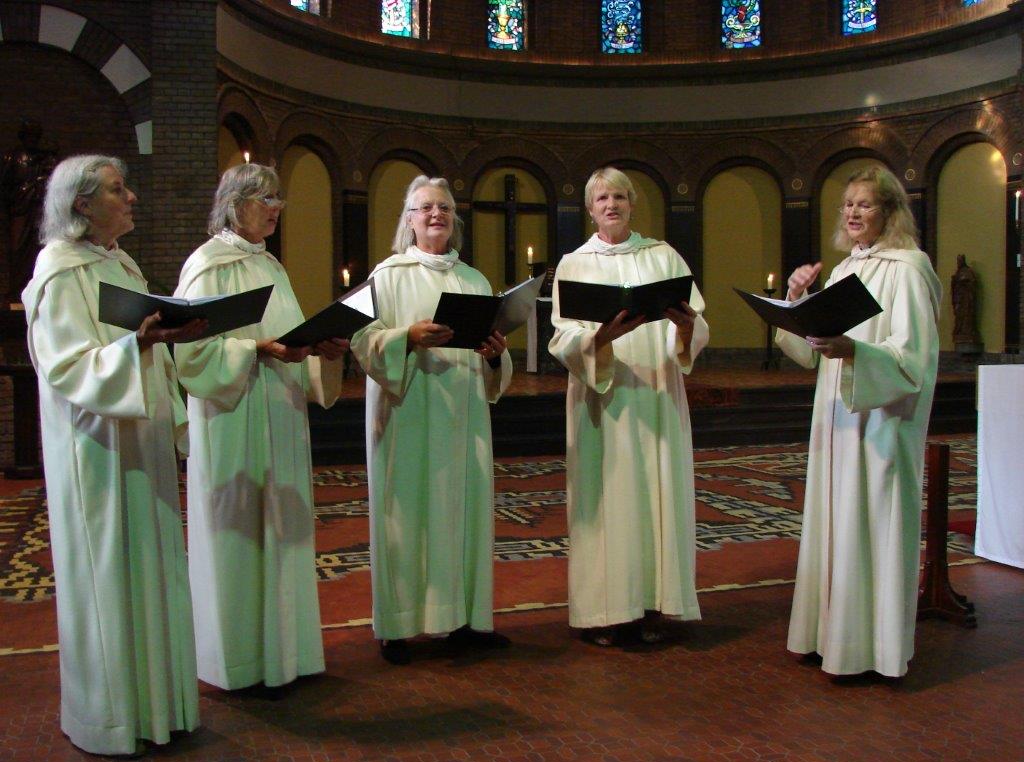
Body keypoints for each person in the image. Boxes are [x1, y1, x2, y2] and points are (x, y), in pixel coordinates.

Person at [21, 155, 205, 755]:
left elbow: (139, 347)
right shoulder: (57, 271)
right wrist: (138, 345)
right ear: (80, 203)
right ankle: (111, 718)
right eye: (117, 190)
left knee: (151, 567)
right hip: (95, 450)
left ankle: (159, 708)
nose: (132, 199)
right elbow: (67, 366)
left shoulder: (119, 263)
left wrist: (158, 348)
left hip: (141, 443)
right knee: (105, 574)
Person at [173, 163, 346, 691]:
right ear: (235, 202)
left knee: (282, 531)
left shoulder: (270, 265)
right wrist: (258, 349)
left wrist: (319, 348)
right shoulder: (209, 264)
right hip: (234, 413)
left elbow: (287, 334)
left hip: (280, 408)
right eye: (265, 198)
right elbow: (191, 349)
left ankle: (286, 655)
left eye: (278, 199)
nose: (275, 208)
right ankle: (238, 663)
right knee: (239, 531)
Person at [778, 166, 940, 678]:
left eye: (863, 204)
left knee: (872, 525)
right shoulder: (848, 269)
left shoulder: (909, 268)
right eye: (846, 204)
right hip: (836, 419)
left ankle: (874, 651)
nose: (851, 213)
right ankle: (831, 636)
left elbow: (913, 359)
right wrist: (796, 301)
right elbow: (809, 352)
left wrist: (854, 352)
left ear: (888, 211)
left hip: (881, 421)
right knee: (834, 524)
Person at [350, 175, 512, 665]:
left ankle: (463, 621)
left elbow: (493, 351)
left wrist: (494, 354)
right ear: (409, 220)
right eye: (425, 208)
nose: (435, 214)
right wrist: (407, 337)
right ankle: (397, 628)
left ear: (454, 219)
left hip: (463, 417)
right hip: (409, 416)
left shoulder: (474, 280)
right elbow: (362, 340)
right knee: (406, 516)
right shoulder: (388, 275)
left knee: (463, 514)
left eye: (443, 207)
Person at [548, 167, 708, 648]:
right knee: (609, 498)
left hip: (657, 397)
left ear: (632, 204)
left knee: (656, 495)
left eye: (619, 196)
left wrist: (685, 328)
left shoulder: (663, 256)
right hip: (606, 399)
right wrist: (599, 338)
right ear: (590, 208)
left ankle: (654, 604)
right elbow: (562, 337)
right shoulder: (574, 264)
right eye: (601, 198)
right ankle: (603, 612)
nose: (611, 204)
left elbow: (698, 326)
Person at [1, 118, 58, 299]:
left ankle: (37, 288)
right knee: (18, 250)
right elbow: (5, 185)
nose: (33, 139)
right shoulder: (12, 158)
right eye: (29, 135)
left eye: (36, 136)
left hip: (39, 212)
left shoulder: (45, 159)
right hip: (20, 211)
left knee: (39, 249)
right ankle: (17, 290)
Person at [950, 253, 978, 345]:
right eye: (958, 261)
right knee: (959, 316)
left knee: (966, 315)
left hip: (966, 299)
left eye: (960, 261)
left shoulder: (968, 271)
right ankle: (960, 332)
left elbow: (972, 283)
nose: (958, 263)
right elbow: (954, 286)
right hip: (959, 298)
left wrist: (964, 283)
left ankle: (967, 332)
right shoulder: (958, 272)